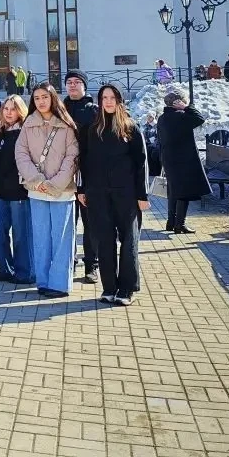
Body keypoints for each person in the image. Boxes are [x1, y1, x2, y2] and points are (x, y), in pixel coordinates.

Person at [78, 84, 148, 307]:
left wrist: (142, 195)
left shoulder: (130, 127)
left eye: (112, 97)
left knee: (129, 240)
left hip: (126, 193)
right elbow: (84, 161)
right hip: (98, 193)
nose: (108, 102)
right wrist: (82, 189)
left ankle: (126, 288)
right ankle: (109, 287)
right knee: (105, 240)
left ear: (119, 100)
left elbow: (141, 162)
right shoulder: (92, 129)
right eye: (104, 98)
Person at [16, 82, 80, 297]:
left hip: (62, 191)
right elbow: (21, 154)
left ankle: (60, 284)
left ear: (53, 98)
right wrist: (37, 180)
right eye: (37, 98)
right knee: (41, 237)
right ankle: (43, 281)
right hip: (37, 189)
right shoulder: (28, 124)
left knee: (61, 239)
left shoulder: (66, 124)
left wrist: (56, 183)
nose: (41, 101)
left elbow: (72, 156)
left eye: (45, 97)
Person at [0, 95, 31, 284]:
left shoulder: (25, 132)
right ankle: (6, 268)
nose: (9, 113)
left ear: (20, 111)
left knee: (21, 235)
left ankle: (24, 273)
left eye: (13, 109)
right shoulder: (1, 132)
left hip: (20, 193)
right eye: (6, 109)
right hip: (1, 192)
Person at [62, 70, 99, 284]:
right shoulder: (60, 109)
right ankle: (69, 261)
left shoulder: (94, 110)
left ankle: (91, 264)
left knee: (90, 222)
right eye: (69, 82)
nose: (73, 85)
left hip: (88, 173)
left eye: (77, 82)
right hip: (64, 173)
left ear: (84, 86)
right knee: (67, 222)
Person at [157, 91, 210, 234]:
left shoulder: (162, 118)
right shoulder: (181, 116)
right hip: (183, 160)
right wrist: (186, 108)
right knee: (183, 192)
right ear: (177, 103)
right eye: (183, 101)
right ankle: (180, 224)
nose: (185, 103)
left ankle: (171, 222)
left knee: (173, 191)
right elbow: (199, 119)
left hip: (168, 159)